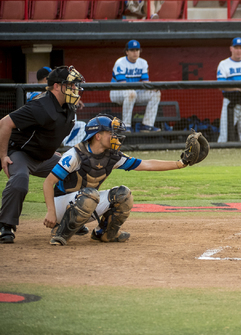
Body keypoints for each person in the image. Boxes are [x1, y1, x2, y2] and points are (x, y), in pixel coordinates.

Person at [42, 115, 202, 246]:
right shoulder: (75, 154)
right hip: (59, 207)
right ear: (98, 136)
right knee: (90, 195)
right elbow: (48, 182)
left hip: (85, 200)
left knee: (123, 194)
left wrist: (180, 164)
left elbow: (146, 164)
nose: (115, 137)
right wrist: (51, 212)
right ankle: (60, 233)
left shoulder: (112, 155)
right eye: (111, 133)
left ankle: (105, 234)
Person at [0, 66, 84, 244]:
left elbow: (52, 131)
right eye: (71, 85)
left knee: (74, 172)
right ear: (56, 86)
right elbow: (4, 123)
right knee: (20, 180)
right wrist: (3, 155)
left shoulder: (68, 107)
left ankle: (68, 219)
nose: (75, 89)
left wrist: (50, 151)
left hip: (44, 157)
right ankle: (6, 225)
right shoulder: (40, 106)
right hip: (21, 153)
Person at [109, 40, 161, 132]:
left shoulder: (143, 62)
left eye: (137, 50)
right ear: (127, 52)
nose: (135, 52)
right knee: (131, 93)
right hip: (117, 92)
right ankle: (126, 126)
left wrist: (152, 87)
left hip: (133, 93)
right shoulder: (120, 62)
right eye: (132, 50)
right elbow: (123, 84)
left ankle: (147, 125)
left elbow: (145, 82)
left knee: (156, 94)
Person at [28, 66, 85, 147]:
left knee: (82, 126)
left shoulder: (51, 89)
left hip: (52, 118)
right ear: (45, 79)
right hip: (41, 123)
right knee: (67, 118)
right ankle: (60, 143)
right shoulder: (34, 88)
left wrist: (71, 96)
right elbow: (36, 98)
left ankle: (67, 147)